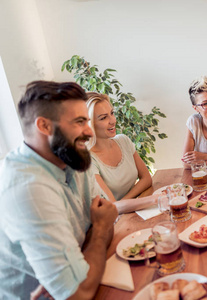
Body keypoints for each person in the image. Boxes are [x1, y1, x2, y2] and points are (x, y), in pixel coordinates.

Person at [0, 81, 118, 299]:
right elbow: (78, 294)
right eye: (80, 122)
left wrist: (77, 268)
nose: (89, 132)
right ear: (45, 126)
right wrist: (100, 229)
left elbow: (106, 216)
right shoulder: (27, 188)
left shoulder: (72, 154)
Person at [86, 92, 157, 213]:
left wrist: (124, 203)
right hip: (116, 222)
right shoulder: (88, 161)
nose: (112, 120)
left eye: (112, 113)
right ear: (89, 124)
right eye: (103, 118)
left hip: (135, 209)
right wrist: (155, 200)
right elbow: (112, 208)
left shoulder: (123, 140)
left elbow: (146, 178)